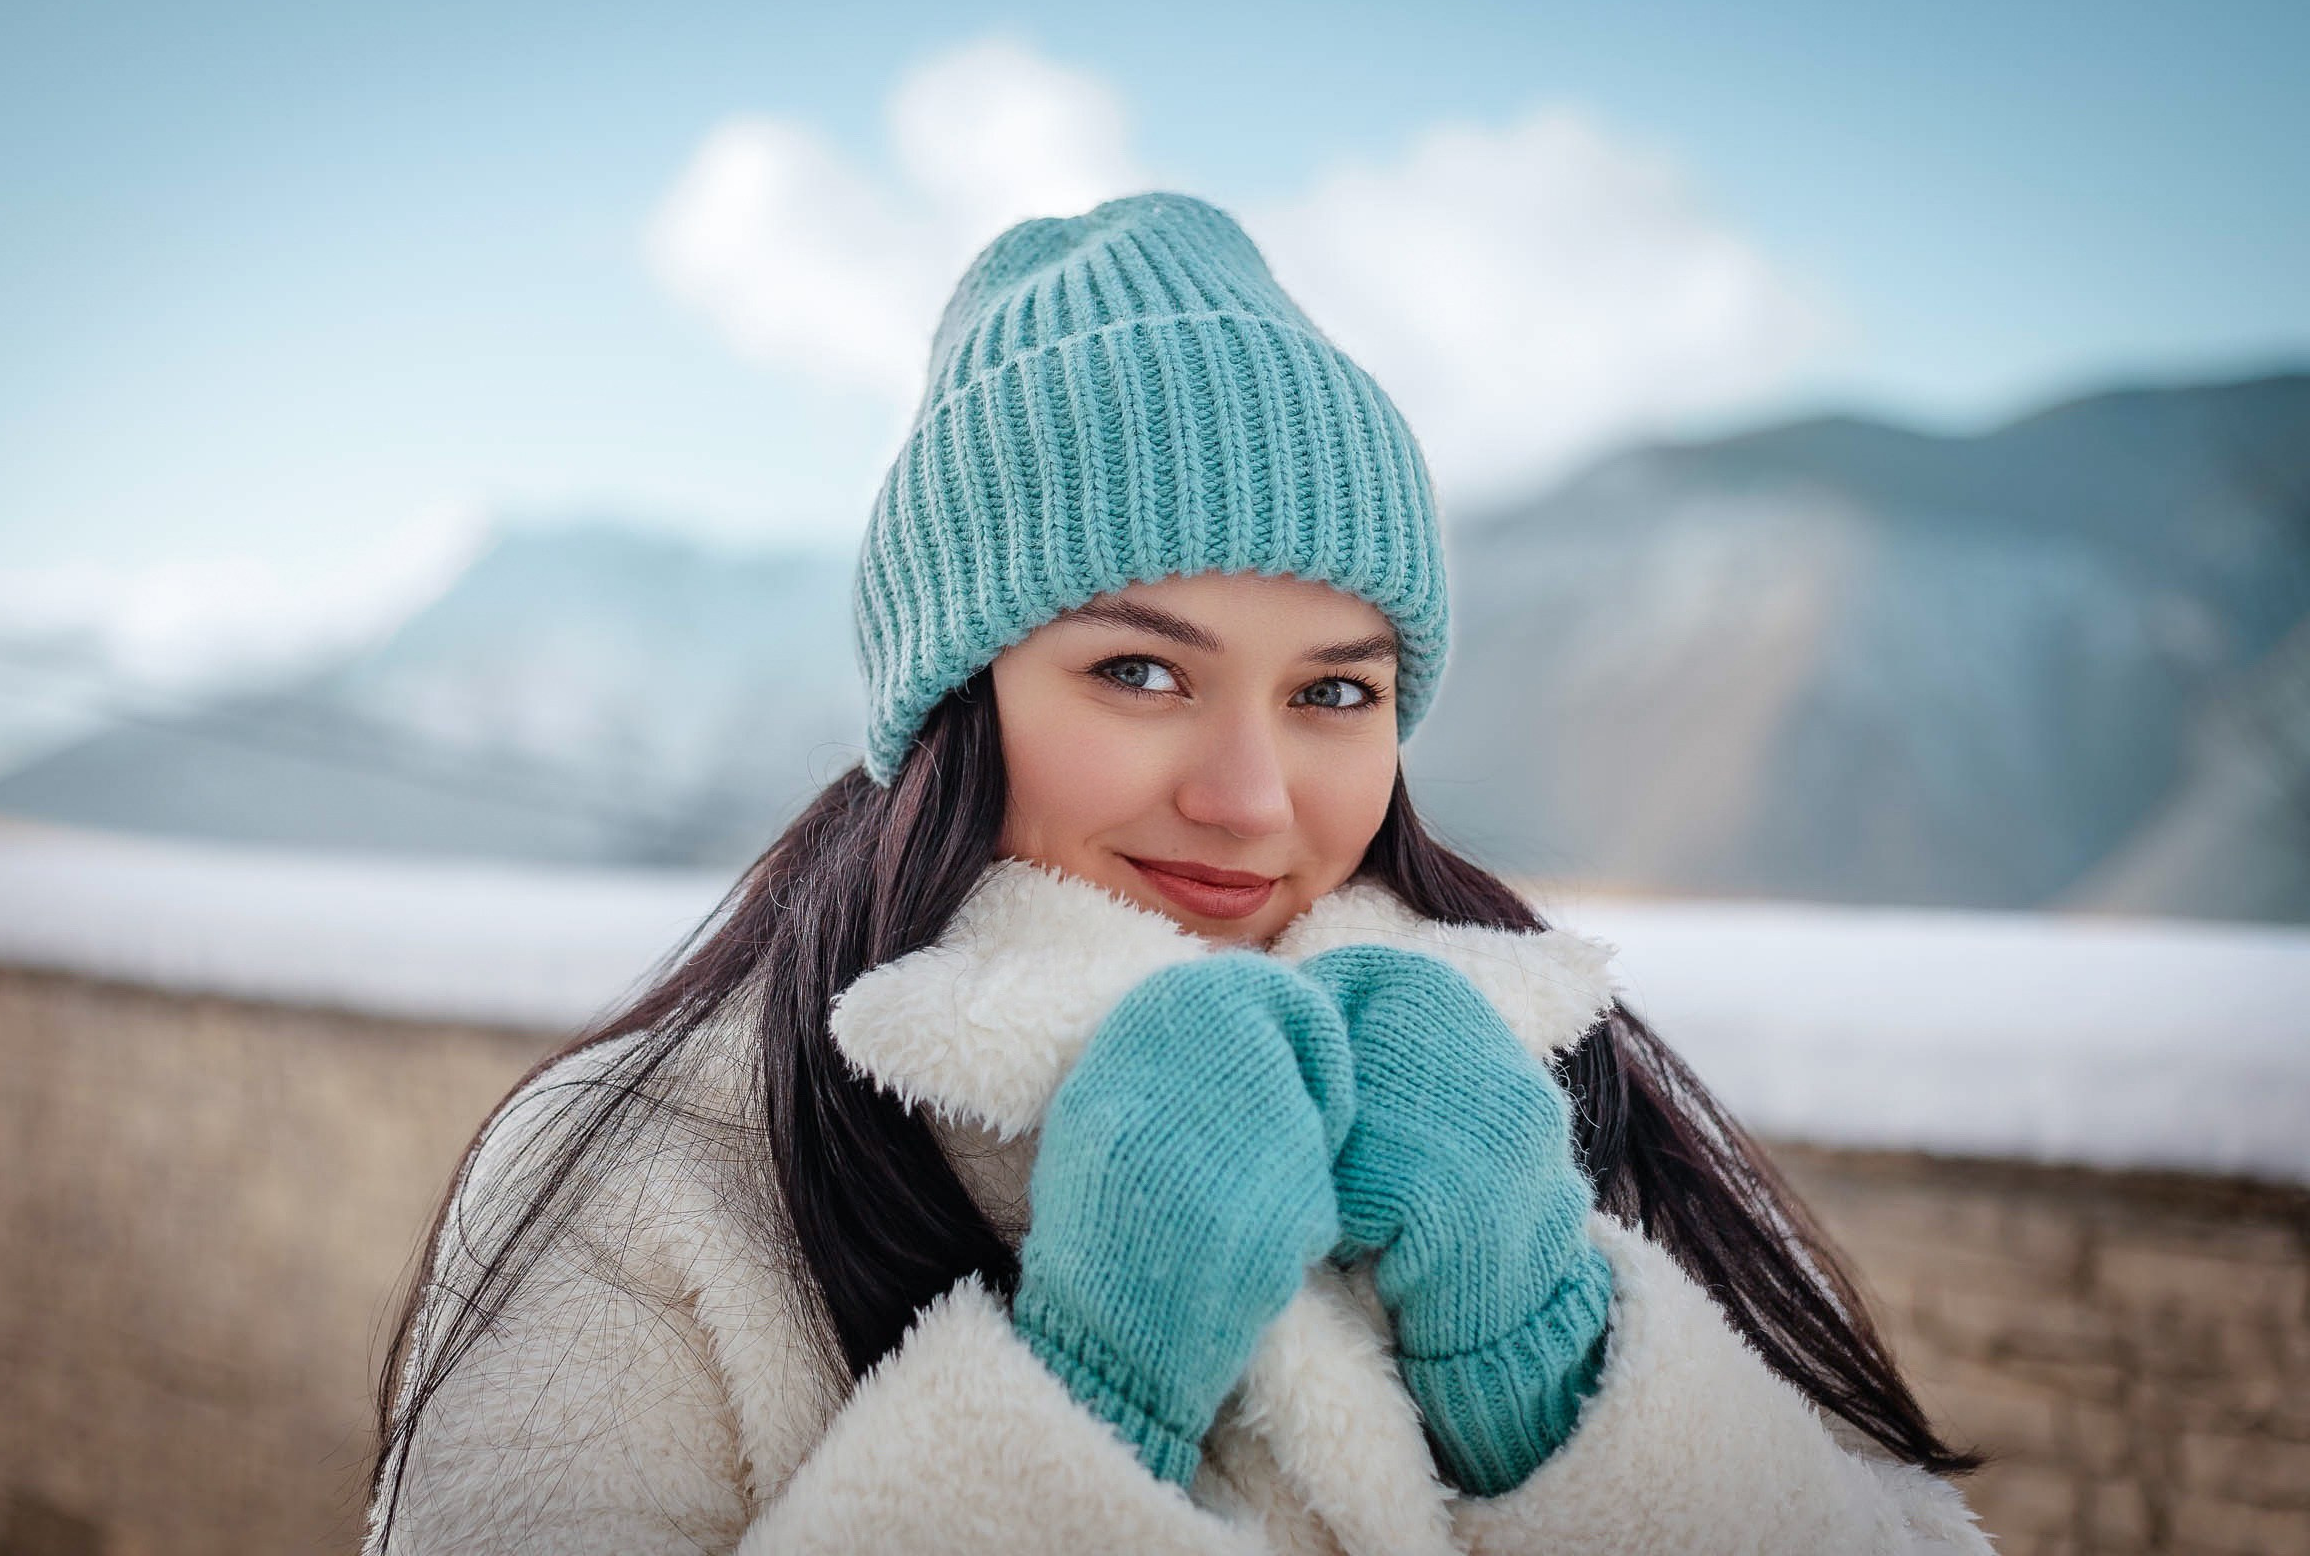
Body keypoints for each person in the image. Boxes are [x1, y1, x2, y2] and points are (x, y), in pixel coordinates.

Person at [362, 191, 1997, 1554]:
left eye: (1333, 694)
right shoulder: (653, 1181)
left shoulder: (1544, 1087)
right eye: (1139, 673)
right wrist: (1086, 1409)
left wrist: (1553, 1386)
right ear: (957, 696)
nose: (1247, 799)